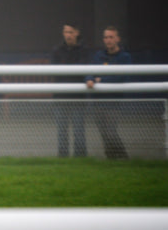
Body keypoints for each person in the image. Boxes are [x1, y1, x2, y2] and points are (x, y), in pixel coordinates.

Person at [86, 26, 132, 159]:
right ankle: (111, 159)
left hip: (113, 101)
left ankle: (123, 157)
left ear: (118, 39)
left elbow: (121, 77)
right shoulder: (98, 56)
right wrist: (90, 79)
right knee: (103, 132)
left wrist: (101, 80)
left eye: (111, 37)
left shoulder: (125, 57)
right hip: (98, 101)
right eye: (106, 37)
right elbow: (90, 72)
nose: (108, 40)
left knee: (110, 131)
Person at [50, 23, 91, 157]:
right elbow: (55, 72)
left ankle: (81, 158)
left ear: (77, 33)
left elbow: (83, 69)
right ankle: (63, 158)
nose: (68, 35)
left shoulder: (84, 50)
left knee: (78, 130)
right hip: (60, 96)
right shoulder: (56, 50)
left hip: (78, 96)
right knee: (62, 131)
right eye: (66, 32)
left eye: (71, 32)